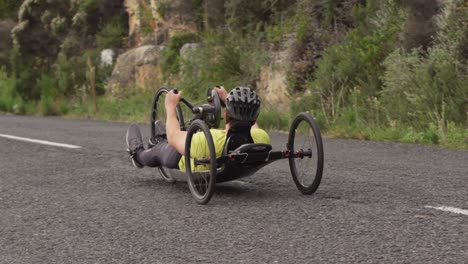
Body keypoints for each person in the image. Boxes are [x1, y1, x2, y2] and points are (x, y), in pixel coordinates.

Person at [125, 86, 270, 171]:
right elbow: (252, 126)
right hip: (226, 161)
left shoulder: (208, 141)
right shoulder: (261, 138)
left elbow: (173, 137)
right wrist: (228, 100)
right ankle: (160, 136)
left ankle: (137, 153)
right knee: (189, 128)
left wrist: (170, 106)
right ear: (254, 118)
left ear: (226, 116)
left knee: (160, 148)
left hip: (178, 157)